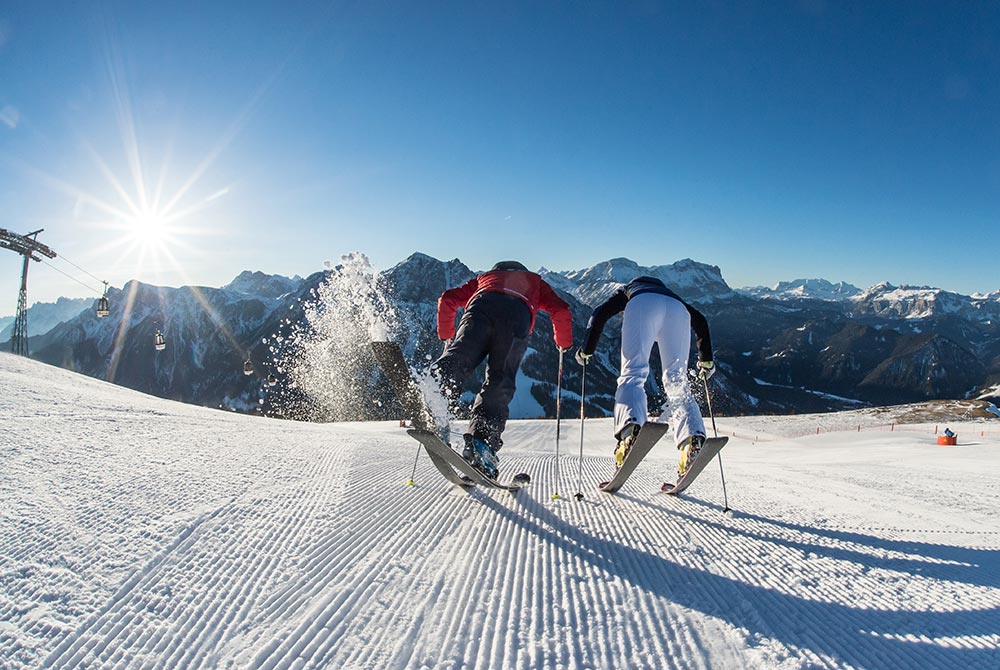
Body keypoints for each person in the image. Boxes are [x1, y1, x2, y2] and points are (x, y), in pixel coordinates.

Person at [434, 261, 573, 478]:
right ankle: (482, 442)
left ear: (496, 271)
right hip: (516, 316)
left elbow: (447, 298)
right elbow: (561, 309)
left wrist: (446, 335)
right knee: (499, 381)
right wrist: (563, 343)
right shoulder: (535, 283)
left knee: (460, 356)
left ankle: (433, 391)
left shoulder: (484, 279)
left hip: (480, 307)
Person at [575, 276, 714, 476]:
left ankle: (630, 431)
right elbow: (700, 320)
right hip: (678, 312)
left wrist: (586, 349)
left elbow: (599, 314)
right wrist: (706, 360)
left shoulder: (629, 290)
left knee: (633, 373)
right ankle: (692, 440)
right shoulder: (672, 295)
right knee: (677, 382)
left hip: (642, 305)